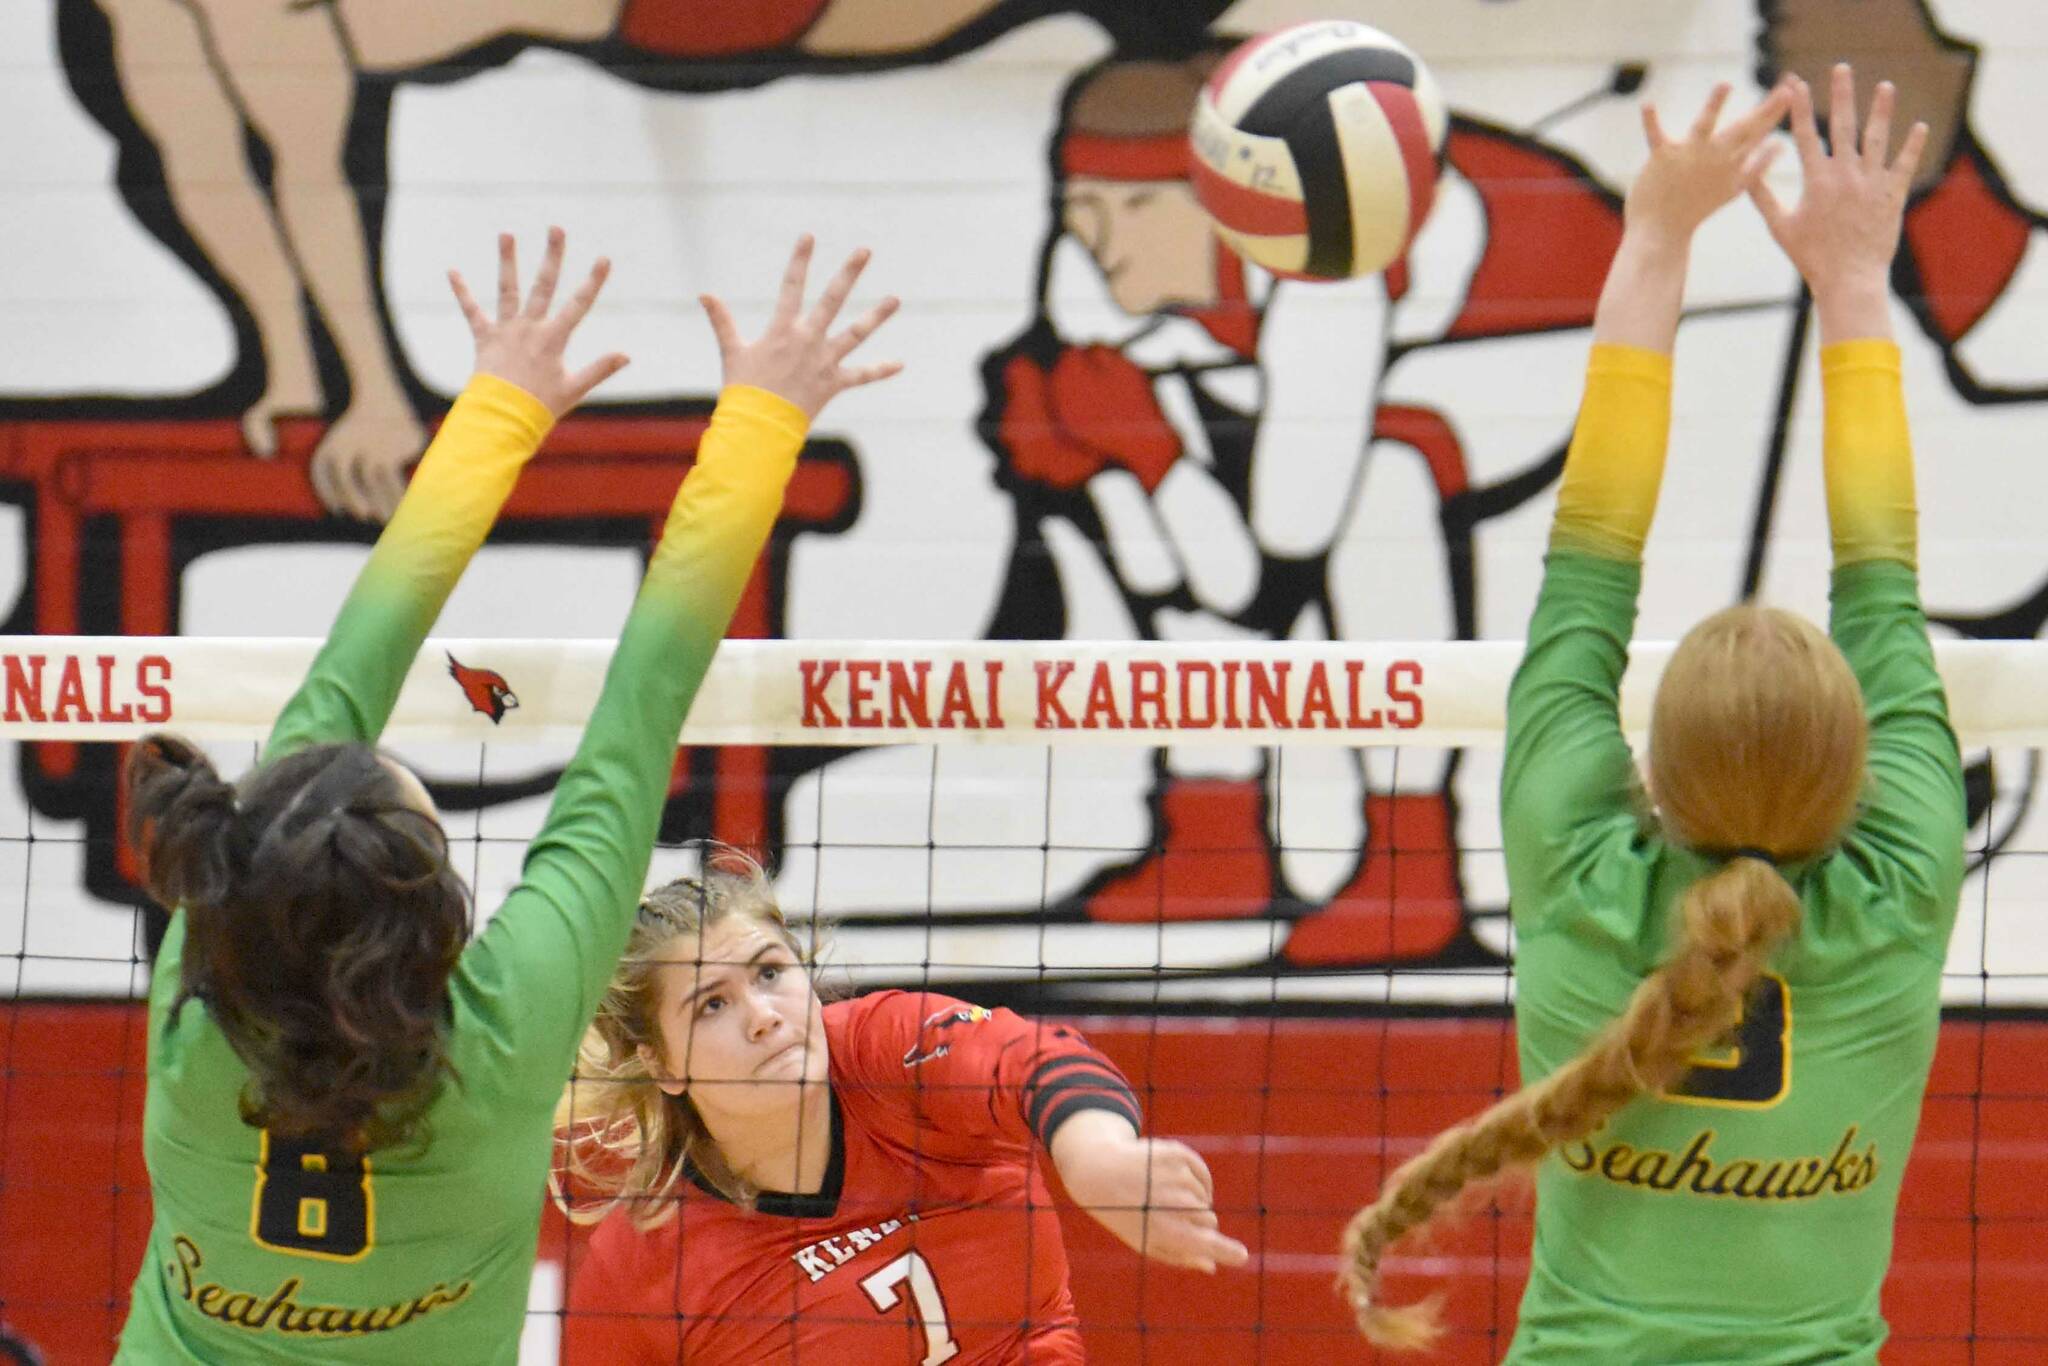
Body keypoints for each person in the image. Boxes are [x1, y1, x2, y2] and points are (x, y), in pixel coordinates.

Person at [115, 227, 901, 1362]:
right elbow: (644, 699)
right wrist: (751, 416)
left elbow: (357, 685)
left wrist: (498, 411)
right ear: (434, 910)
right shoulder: (502, 1029)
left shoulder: (203, 995)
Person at [1338, 66, 1965, 1362]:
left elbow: (1588, 562)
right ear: (1857, 768)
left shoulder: (1581, 862)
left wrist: (1658, 236)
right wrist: (1854, 284)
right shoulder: (1901, 883)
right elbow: (1884, 582)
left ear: (1652, 773)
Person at [555, 845, 1251, 1363]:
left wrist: (1097, 1154)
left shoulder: (885, 1050)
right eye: (712, 1004)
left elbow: (1038, 1060)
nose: (763, 1016)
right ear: (662, 1066)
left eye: (771, 972)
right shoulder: (641, 1265)